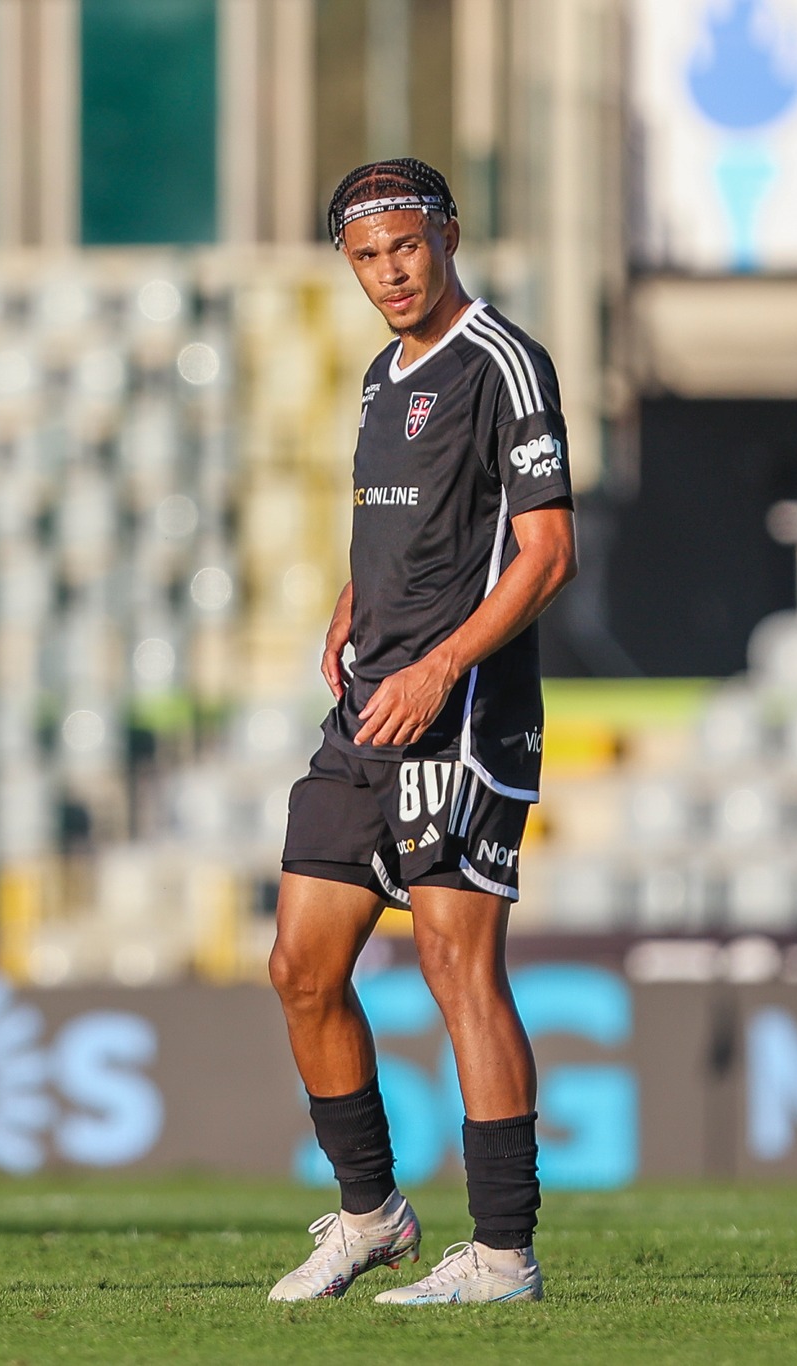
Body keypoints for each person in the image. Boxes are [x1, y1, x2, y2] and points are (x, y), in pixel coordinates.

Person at [266, 159, 575, 1307]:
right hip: (367, 708)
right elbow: (414, 526)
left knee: (457, 965)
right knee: (300, 966)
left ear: (446, 233)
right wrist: (356, 601)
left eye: (404, 245)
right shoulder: (375, 377)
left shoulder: (504, 360)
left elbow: (546, 553)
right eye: (365, 256)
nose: (389, 271)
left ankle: (500, 1255)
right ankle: (370, 1215)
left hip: (464, 711)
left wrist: (441, 664)